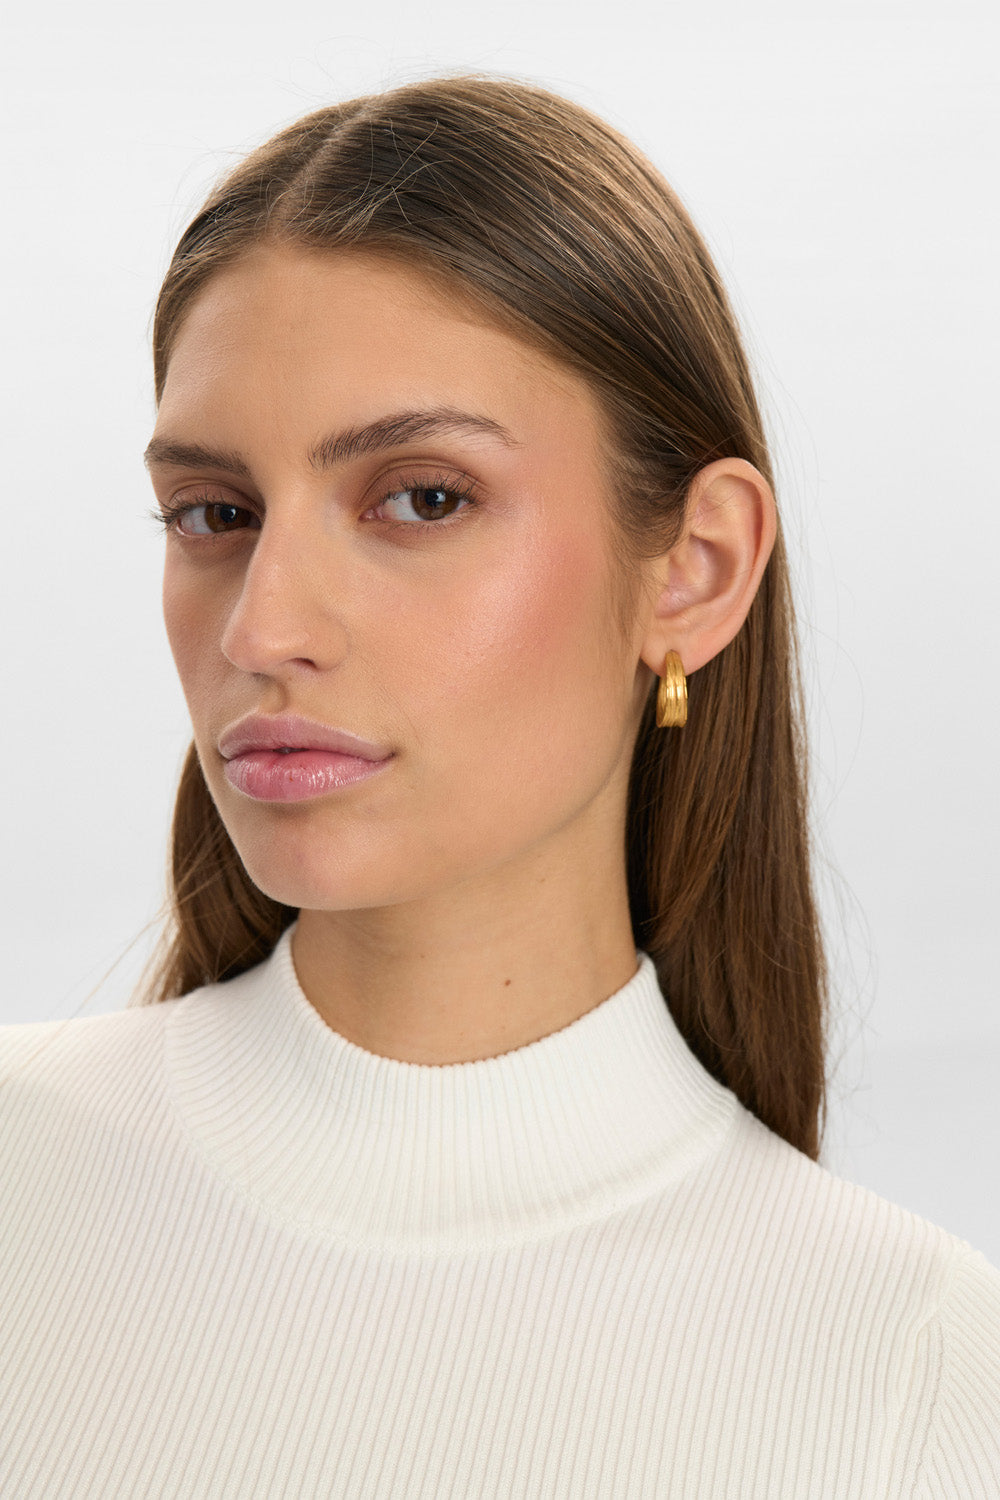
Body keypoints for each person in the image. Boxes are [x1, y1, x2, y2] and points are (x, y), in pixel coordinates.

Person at [1, 74, 997, 1499]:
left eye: (422, 497)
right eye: (216, 514)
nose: (261, 625)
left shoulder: (915, 1375)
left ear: (696, 569)